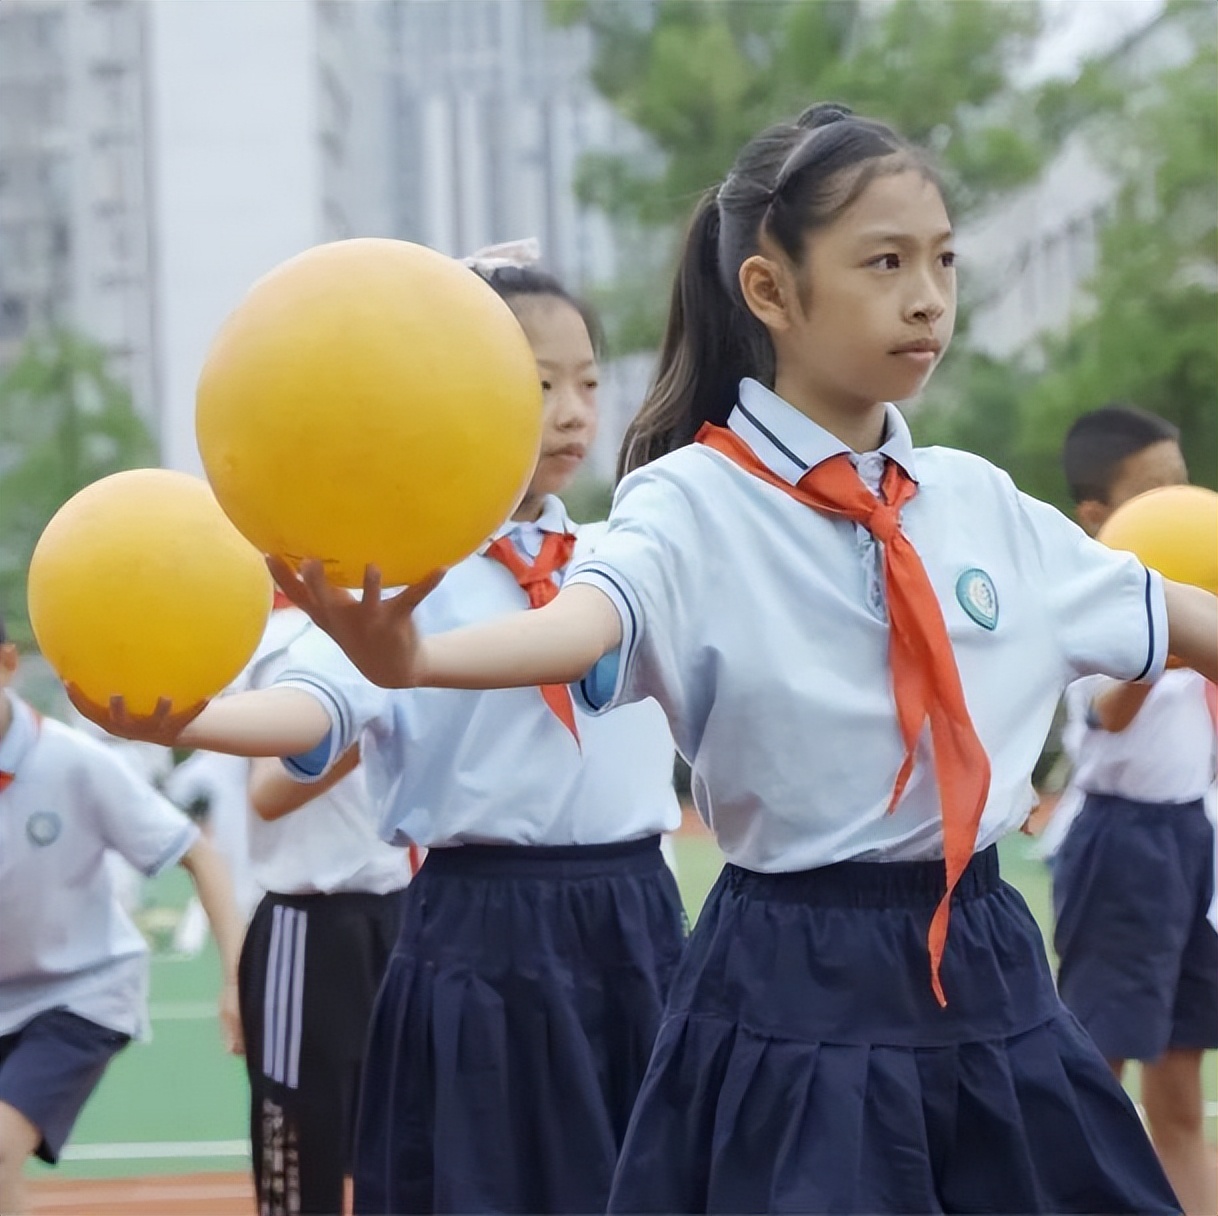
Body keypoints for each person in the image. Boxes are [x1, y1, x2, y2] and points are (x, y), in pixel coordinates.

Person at [248, 104, 1218, 1213]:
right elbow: (586, 624)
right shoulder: (691, 500)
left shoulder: (978, 499)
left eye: (943, 259)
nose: (928, 295)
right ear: (769, 290)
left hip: (986, 963)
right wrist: (414, 655)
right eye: (885, 261)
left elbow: (1177, 615)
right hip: (794, 983)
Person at [73, 253, 687, 1216]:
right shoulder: (398, 582)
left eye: (588, 381)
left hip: (634, 923)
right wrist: (189, 717)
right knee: (472, 1187)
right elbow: (313, 712)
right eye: (536, 384)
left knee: (640, 1185)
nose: (571, 410)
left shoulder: (630, 553)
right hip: (474, 927)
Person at [0, 616, 244, 1216]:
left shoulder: (73, 762)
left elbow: (199, 854)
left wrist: (236, 979)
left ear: (8, 664)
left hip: (78, 991)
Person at [1049, 406, 1217, 1216]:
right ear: (1100, 514)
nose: (1180, 505)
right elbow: (1107, 715)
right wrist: (1165, 647)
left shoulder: (1202, 586)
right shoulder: (1089, 600)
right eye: (1156, 491)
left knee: (1180, 1087)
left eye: (1182, 484)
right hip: (1121, 846)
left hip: (1191, 841)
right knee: (1097, 1065)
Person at [236, 602, 412, 1216]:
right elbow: (267, 792)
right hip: (307, 925)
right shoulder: (289, 643)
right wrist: (373, 725)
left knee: (403, 1138)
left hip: (400, 912)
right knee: (299, 1148)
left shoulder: (408, 620)